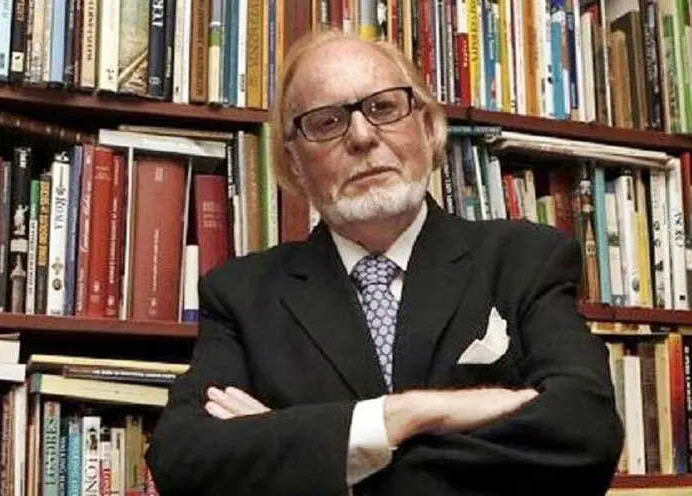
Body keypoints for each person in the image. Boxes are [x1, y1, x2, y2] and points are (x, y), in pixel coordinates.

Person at [145, 29, 624, 496]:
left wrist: (314, 458)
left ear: (428, 127)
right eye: (326, 122)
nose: (361, 136)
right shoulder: (241, 294)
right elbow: (183, 461)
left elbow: (583, 434)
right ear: (294, 163)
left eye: (383, 108)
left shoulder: (524, 259)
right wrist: (404, 415)